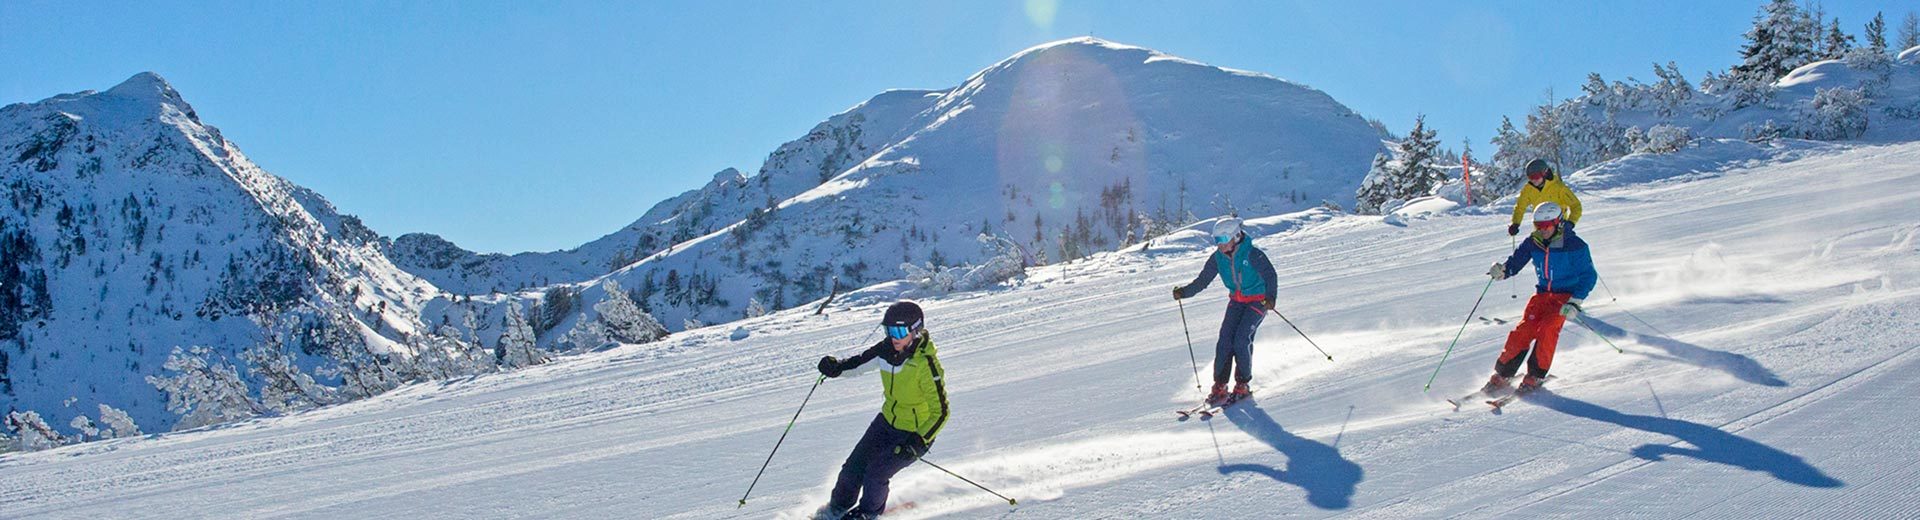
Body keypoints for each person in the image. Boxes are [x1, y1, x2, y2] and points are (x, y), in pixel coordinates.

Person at [812, 301, 949, 520]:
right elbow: (856, 364)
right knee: (853, 467)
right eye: (888, 330)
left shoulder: (926, 364)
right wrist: (836, 368)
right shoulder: (885, 351)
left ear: (915, 330)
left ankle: (868, 514)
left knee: (876, 474)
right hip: (886, 423)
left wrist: (918, 440)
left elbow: (941, 411)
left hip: (914, 433)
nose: (893, 337)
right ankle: (836, 508)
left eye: (899, 331)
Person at [1484, 201, 1596, 395]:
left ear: (1558, 222)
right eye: (1538, 225)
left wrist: (1575, 302)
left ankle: (1535, 375)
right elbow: (1515, 262)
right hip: (1542, 295)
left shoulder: (1574, 245)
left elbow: (1589, 276)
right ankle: (1503, 374)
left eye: (1546, 225)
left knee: (1547, 329)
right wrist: (1503, 271)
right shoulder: (1533, 242)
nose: (1542, 230)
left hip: (1564, 298)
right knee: (1523, 330)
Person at [1172, 217, 1277, 406]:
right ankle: (1220, 385)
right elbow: (1202, 281)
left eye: (1223, 239)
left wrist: (1270, 297)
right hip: (1237, 301)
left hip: (1258, 300)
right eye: (1216, 240)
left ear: (1236, 236)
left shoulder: (1253, 254)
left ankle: (1242, 384)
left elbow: (1270, 275)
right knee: (1225, 341)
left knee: (1241, 339)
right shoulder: (1217, 258)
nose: (1219, 245)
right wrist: (1184, 292)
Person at [1508, 159, 1583, 236]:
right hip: (1540, 230)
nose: (1534, 180)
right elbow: (1520, 207)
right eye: (1530, 177)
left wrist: (1570, 223)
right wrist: (1515, 224)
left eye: (1536, 176)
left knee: (1558, 246)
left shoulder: (1559, 188)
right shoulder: (1528, 190)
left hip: (1558, 228)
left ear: (1545, 173)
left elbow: (1576, 206)